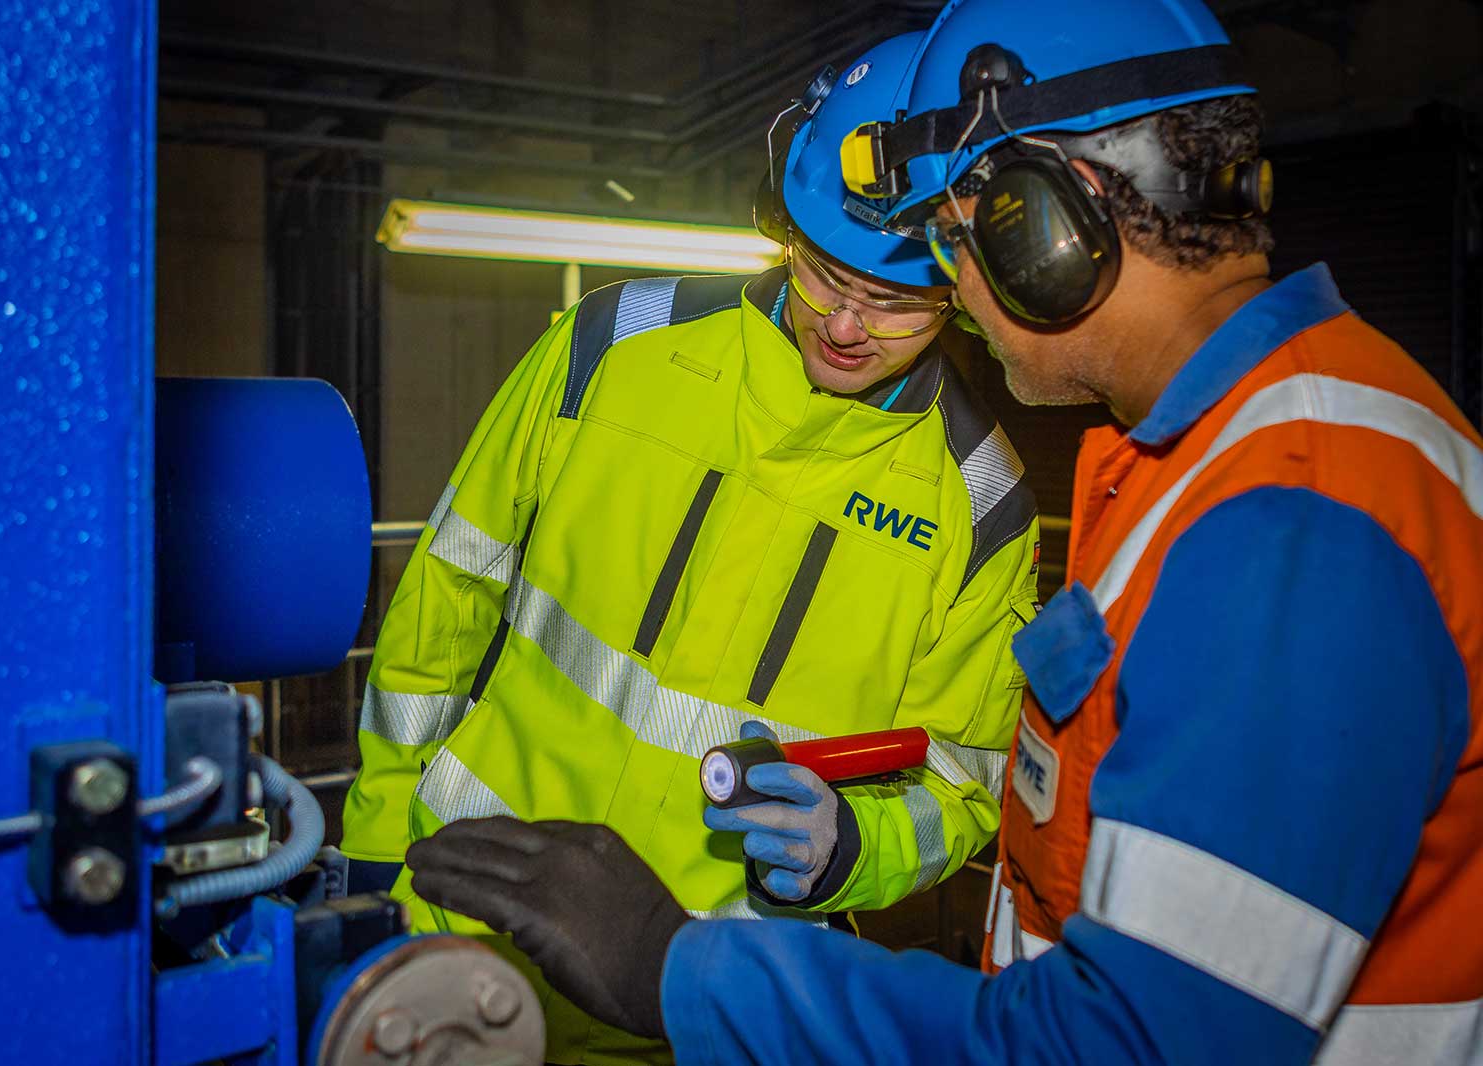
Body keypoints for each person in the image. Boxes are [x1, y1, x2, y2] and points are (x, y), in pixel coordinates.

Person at [403, 1, 1483, 1064]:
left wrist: (676, 965)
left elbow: (1131, 1043)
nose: (955, 290)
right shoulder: (1205, 460)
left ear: (1049, 229)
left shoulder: (1294, 517)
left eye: (955, 246)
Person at [342, 29, 1041, 1066]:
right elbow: (447, 597)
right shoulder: (612, 345)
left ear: (964, 282)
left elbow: (963, 779)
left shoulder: (982, 506)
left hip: (702, 1005)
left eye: (898, 300)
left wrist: (851, 849)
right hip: (460, 934)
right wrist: (372, 842)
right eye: (819, 273)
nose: (847, 323)